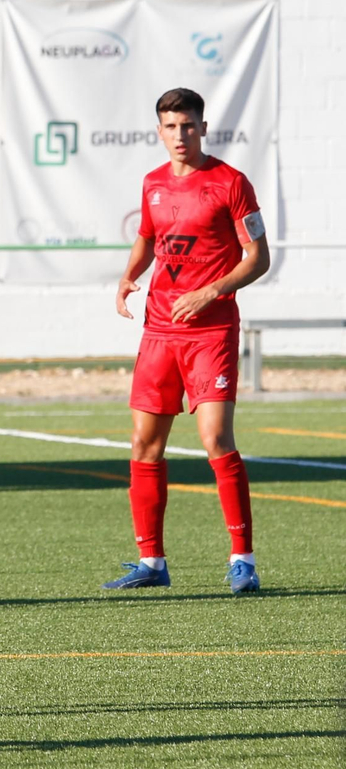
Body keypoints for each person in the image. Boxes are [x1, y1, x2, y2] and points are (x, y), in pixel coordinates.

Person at [109, 87, 270, 594]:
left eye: (188, 125)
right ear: (159, 131)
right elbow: (148, 236)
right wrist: (129, 276)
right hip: (159, 329)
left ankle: (243, 560)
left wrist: (211, 291)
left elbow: (258, 258)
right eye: (171, 126)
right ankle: (152, 562)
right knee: (144, 444)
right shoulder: (153, 183)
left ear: (203, 127)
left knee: (215, 439)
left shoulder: (231, 183)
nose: (180, 135)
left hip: (211, 332)